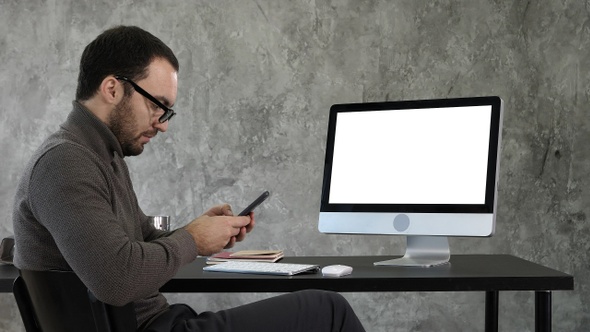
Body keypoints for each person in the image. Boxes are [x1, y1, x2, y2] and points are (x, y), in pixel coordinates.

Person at [12, 25, 366, 332]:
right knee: (328, 310)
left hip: (159, 322)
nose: (163, 123)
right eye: (157, 105)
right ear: (112, 89)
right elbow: (117, 279)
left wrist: (201, 231)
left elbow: (141, 240)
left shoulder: (100, 155)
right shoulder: (64, 163)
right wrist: (193, 241)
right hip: (147, 328)